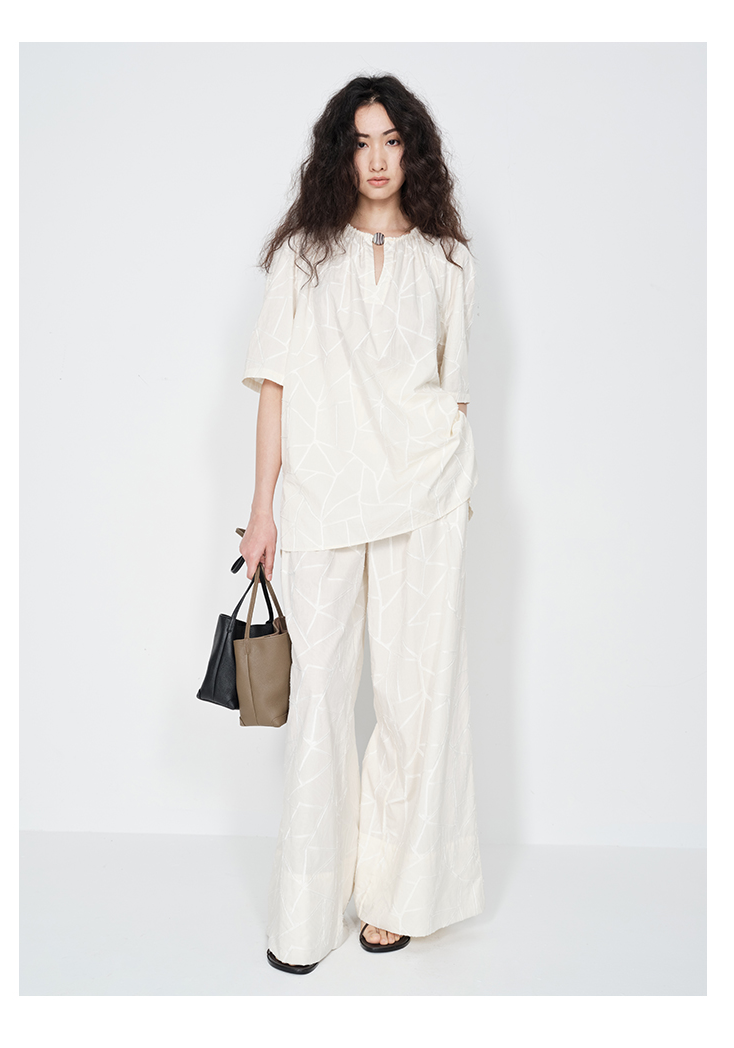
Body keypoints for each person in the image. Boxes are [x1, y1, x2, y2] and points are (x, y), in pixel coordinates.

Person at [239, 73, 484, 974]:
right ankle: (306, 912)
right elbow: (274, 385)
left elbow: (455, 389)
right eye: (360, 141)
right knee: (321, 702)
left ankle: (395, 897)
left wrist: (449, 481)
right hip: (322, 500)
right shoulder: (304, 256)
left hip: (424, 496)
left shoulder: (449, 262)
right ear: (340, 154)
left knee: (416, 703)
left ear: (412, 151)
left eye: (392, 140)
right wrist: (260, 511)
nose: (377, 158)